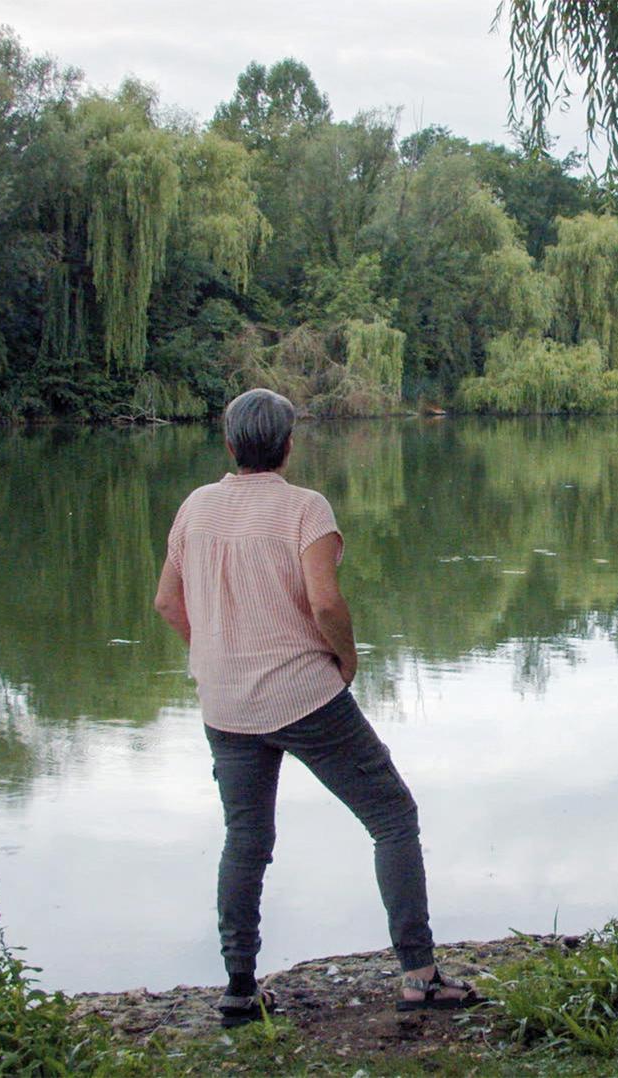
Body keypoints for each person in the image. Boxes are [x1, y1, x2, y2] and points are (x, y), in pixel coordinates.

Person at [154, 388, 480, 1028]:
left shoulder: (195, 508)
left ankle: (240, 990)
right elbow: (325, 604)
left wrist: (219, 654)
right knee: (392, 815)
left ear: (228, 443)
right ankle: (420, 977)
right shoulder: (305, 508)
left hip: (225, 704)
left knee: (246, 839)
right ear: (289, 443)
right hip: (305, 695)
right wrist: (347, 660)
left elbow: (168, 604)